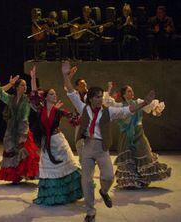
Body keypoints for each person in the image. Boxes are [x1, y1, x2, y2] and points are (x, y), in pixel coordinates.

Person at [62, 60, 156, 222]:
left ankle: (104, 192)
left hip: (102, 147)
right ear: (90, 99)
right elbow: (71, 91)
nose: (100, 99)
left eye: (101, 97)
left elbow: (127, 110)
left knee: (108, 177)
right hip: (87, 146)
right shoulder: (83, 108)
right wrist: (65, 75)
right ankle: (90, 212)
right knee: (86, 180)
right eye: (97, 97)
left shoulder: (109, 112)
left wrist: (145, 103)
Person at [28, 65, 82, 205]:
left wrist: (81, 116)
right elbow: (34, 95)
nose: (54, 95)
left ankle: (68, 194)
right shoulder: (40, 109)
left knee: (66, 168)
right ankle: (51, 196)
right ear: (45, 98)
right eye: (51, 94)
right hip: (47, 143)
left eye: (55, 93)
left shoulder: (59, 111)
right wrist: (33, 77)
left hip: (58, 142)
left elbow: (74, 118)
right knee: (49, 170)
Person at [104, 83, 171, 189]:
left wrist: (157, 110)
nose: (132, 92)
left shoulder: (139, 102)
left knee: (144, 154)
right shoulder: (120, 106)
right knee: (128, 158)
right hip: (126, 136)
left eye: (132, 90)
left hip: (139, 133)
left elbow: (152, 107)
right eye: (129, 91)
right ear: (124, 95)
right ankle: (131, 181)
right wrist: (109, 89)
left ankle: (143, 179)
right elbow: (107, 103)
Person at [0, 67, 39, 184]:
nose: (25, 87)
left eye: (26, 85)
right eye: (23, 85)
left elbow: (36, 95)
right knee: (11, 150)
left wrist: (33, 78)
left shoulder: (28, 99)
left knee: (24, 151)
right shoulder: (11, 99)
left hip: (23, 128)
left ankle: (25, 173)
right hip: (11, 128)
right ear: (17, 87)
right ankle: (15, 176)